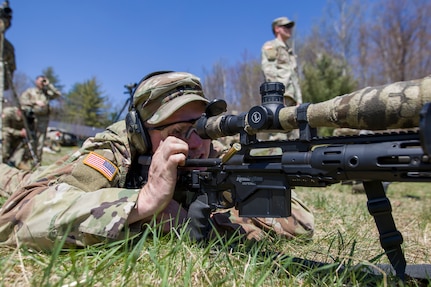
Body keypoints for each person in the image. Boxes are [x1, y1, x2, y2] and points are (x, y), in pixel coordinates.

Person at [0, 71, 315, 251]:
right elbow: (19, 221)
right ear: (140, 133)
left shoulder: (212, 153)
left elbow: (300, 224)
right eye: (177, 130)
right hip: (31, 181)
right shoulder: (115, 150)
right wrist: (144, 203)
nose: (195, 143)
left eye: (200, 128)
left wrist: (230, 197)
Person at [261, 16, 302, 107]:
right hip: (281, 97)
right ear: (277, 29)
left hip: (293, 99)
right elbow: (269, 70)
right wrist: (277, 95)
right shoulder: (271, 46)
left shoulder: (289, 51)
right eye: (286, 26)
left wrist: (299, 99)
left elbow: (294, 76)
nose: (289, 29)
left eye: (290, 27)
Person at [19, 75, 61, 162]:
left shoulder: (46, 93)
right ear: (36, 81)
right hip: (31, 118)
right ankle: (25, 160)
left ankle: (37, 162)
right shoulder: (30, 91)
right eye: (41, 81)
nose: (42, 83)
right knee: (30, 139)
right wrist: (35, 102)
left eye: (44, 81)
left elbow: (57, 94)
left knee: (40, 141)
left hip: (43, 120)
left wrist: (49, 85)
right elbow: (22, 101)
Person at [1, 106, 32, 170]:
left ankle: (19, 161)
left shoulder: (28, 118)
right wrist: (19, 133)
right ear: (19, 111)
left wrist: (26, 131)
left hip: (18, 138)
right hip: (7, 134)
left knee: (26, 143)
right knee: (5, 136)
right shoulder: (8, 113)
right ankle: (3, 159)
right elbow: (4, 128)